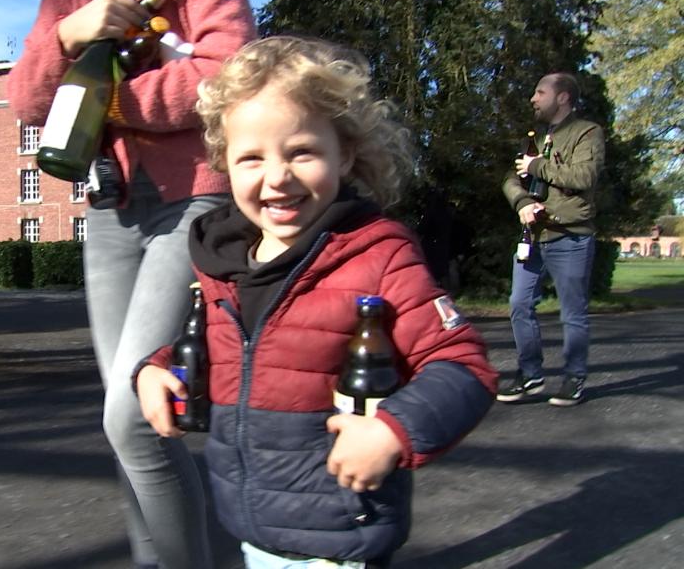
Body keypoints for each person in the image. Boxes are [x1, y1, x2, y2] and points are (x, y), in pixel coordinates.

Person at [135, 36, 498, 568]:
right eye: (251, 158)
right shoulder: (225, 261)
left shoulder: (377, 254)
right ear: (224, 165)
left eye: (301, 152)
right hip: (253, 526)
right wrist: (155, 369)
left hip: (340, 531)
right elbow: (218, 345)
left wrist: (393, 429)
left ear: (344, 153)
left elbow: (463, 367)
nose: (277, 177)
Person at [6, 0, 255, 568]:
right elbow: (27, 101)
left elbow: (229, 76)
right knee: (128, 422)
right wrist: (67, 35)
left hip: (194, 198)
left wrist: (108, 101)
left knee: (132, 420)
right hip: (109, 208)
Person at [498, 72, 605, 407]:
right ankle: (530, 374)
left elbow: (584, 176)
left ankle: (574, 378)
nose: (533, 98)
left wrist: (538, 166)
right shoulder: (534, 138)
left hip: (569, 236)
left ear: (562, 97)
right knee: (519, 304)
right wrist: (522, 202)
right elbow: (511, 178)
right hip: (532, 236)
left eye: (540, 92)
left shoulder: (587, 132)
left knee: (572, 313)